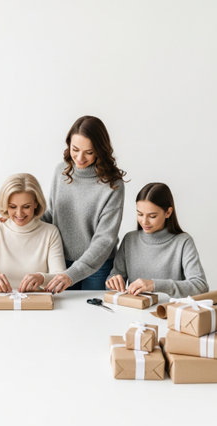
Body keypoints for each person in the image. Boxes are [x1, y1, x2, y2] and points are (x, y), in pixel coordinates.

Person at [42, 115, 126, 293]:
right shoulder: (61, 172)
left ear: (100, 150)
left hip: (97, 266)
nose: (80, 158)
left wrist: (72, 274)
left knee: (94, 317)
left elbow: (105, 239)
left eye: (89, 152)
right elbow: (51, 216)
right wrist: (14, 221)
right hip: (60, 261)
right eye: (75, 149)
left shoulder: (113, 184)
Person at [106, 182, 208, 298]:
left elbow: (201, 286)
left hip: (168, 311)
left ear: (168, 212)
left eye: (152, 216)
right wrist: (112, 282)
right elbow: (113, 280)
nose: (144, 221)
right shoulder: (130, 240)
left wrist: (155, 285)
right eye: (140, 214)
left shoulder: (183, 242)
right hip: (136, 310)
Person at [0, 173, 66, 292]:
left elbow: (60, 276)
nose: (19, 214)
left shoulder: (50, 232)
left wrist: (42, 278)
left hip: (37, 304)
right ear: (5, 205)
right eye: (13, 207)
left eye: (26, 206)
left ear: (36, 203)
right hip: (1, 303)